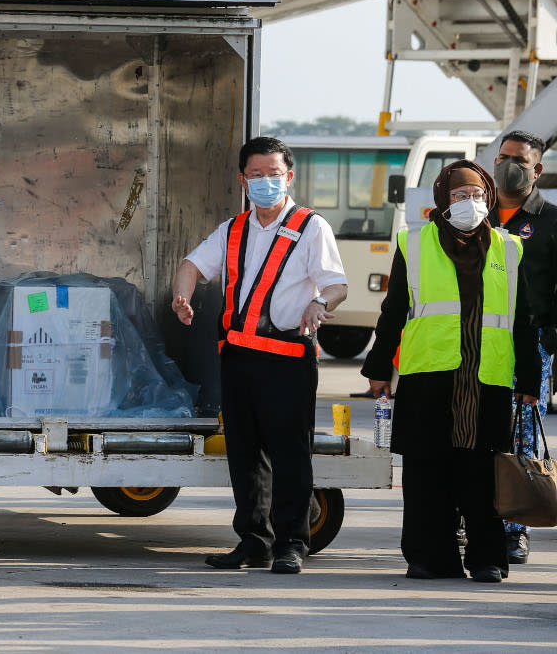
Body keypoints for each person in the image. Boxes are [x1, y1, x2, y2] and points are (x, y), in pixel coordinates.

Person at [172, 136, 348, 574]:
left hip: (287, 361)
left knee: (290, 453)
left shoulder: (311, 228)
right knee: (245, 455)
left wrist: (320, 303)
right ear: (242, 180)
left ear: (289, 176)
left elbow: (337, 284)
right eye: (257, 175)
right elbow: (192, 265)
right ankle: (254, 540)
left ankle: (292, 543)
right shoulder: (232, 230)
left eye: (274, 174)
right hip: (237, 360)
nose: (266, 182)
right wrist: (182, 296)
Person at [363, 160, 539, 583]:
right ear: (442, 200)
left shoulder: (509, 248)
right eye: (460, 196)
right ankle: (429, 557)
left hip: (487, 380)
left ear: (490, 198)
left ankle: (487, 558)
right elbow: (393, 312)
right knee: (427, 472)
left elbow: (524, 319)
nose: (470, 203)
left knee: (483, 474)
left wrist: (530, 380)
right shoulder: (414, 243)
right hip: (430, 375)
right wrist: (379, 366)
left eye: (478, 195)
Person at [488, 130, 557, 564]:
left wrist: (548, 340)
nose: (507, 165)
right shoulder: (473, 212)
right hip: (475, 343)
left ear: (538, 169)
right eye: (503, 156)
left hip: (529, 347)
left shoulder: (550, 220)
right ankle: (469, 519)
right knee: (472, 432)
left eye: (518, 159)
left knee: (520, 437)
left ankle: (516, 529)